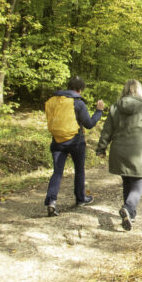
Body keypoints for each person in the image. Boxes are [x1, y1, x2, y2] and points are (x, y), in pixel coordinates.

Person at [96, 80, 142, 231]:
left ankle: (130, 215)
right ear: (139, 90)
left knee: (127, 181)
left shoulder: (115, 107)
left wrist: (101, 148)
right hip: (137, 152)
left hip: (118, 151)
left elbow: (107, 131)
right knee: (138, 182)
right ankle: (128, 207)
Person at [44, 76, 104, 217]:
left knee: (57, 172)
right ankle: (80, 198)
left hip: (57, 140)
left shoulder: (54, 100)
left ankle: (51, 201)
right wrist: (99, 111)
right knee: (79, 170)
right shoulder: (78, 103)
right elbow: (89, 124)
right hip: (76, 142)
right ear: (80, 89)